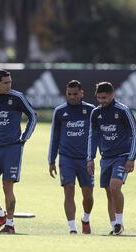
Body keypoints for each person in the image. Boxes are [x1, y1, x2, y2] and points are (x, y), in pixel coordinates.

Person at [0, 69, 37, 234]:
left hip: (12, 149)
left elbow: (33, 115)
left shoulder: (17, 97)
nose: (9, 85)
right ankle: (0, 215)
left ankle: (10, 225)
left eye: (10, 82)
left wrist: (24, 138)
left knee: (7, 186)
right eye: (5, 83)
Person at [87, 82, 136, 235]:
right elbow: (93, 136)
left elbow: (135, 134)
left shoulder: (123, 111)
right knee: (109, 192)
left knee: (115, 187)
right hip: (106, 157)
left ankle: (120, 222)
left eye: (105, 97)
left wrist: (131, 158)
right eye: (99, 98)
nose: (102, 101)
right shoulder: (96, 113)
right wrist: (90, 158)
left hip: (122, 157)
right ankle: (114, 227)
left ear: (112, 95)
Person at [48, 80, 95, 234]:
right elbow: (54, 137)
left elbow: (96, 135)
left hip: (85, 159)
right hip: (66, 158)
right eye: (69, 94)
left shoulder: (91, 110)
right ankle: (72, 228)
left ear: (82, 93)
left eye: (75, 94)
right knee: (69, 190)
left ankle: (86, 218)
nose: (72, 97)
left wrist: (93, 156)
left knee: (87, 195)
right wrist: (51, 160)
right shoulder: (60, 111)